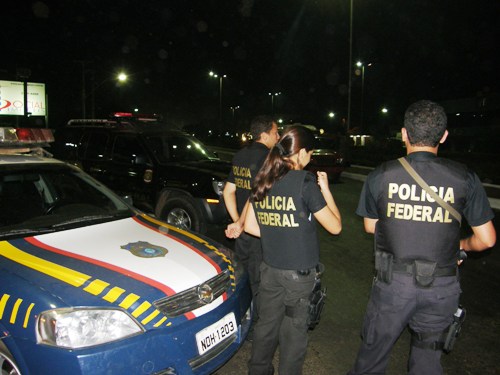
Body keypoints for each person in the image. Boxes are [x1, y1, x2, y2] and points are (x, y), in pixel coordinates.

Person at [348, 100, 496, 375]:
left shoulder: (381, 174)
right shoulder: (465, 177)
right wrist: (460, 246)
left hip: (393, 287)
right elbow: (486, 240)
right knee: (427, 363)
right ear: (443, 136)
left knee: (372, 359)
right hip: (441, 289)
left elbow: (371, 227)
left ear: (404, 134)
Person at [243, 125, 342, 375]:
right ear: (300, 153)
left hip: (270, 270)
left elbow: (252, 227)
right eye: (309, 153)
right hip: (299, 276)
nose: (310, 158)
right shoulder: (305, 182)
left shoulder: (264, 179)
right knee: (293, 334)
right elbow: (335, 227)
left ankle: (258, 370)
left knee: (266, 326)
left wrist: (277, 230)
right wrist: (326, 191)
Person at [223, 115, 280, 323]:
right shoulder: (270, 158)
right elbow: (256, 196)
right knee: (259, 281)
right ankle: (253, 325)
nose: (278, 136)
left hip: (243, 232)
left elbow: (228, 192)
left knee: (243, 276)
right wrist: (242, 223)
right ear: (264, 135)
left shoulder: (240, 155)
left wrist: (238, 221)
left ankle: (241, 315)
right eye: (275, 132)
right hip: (258, 230)